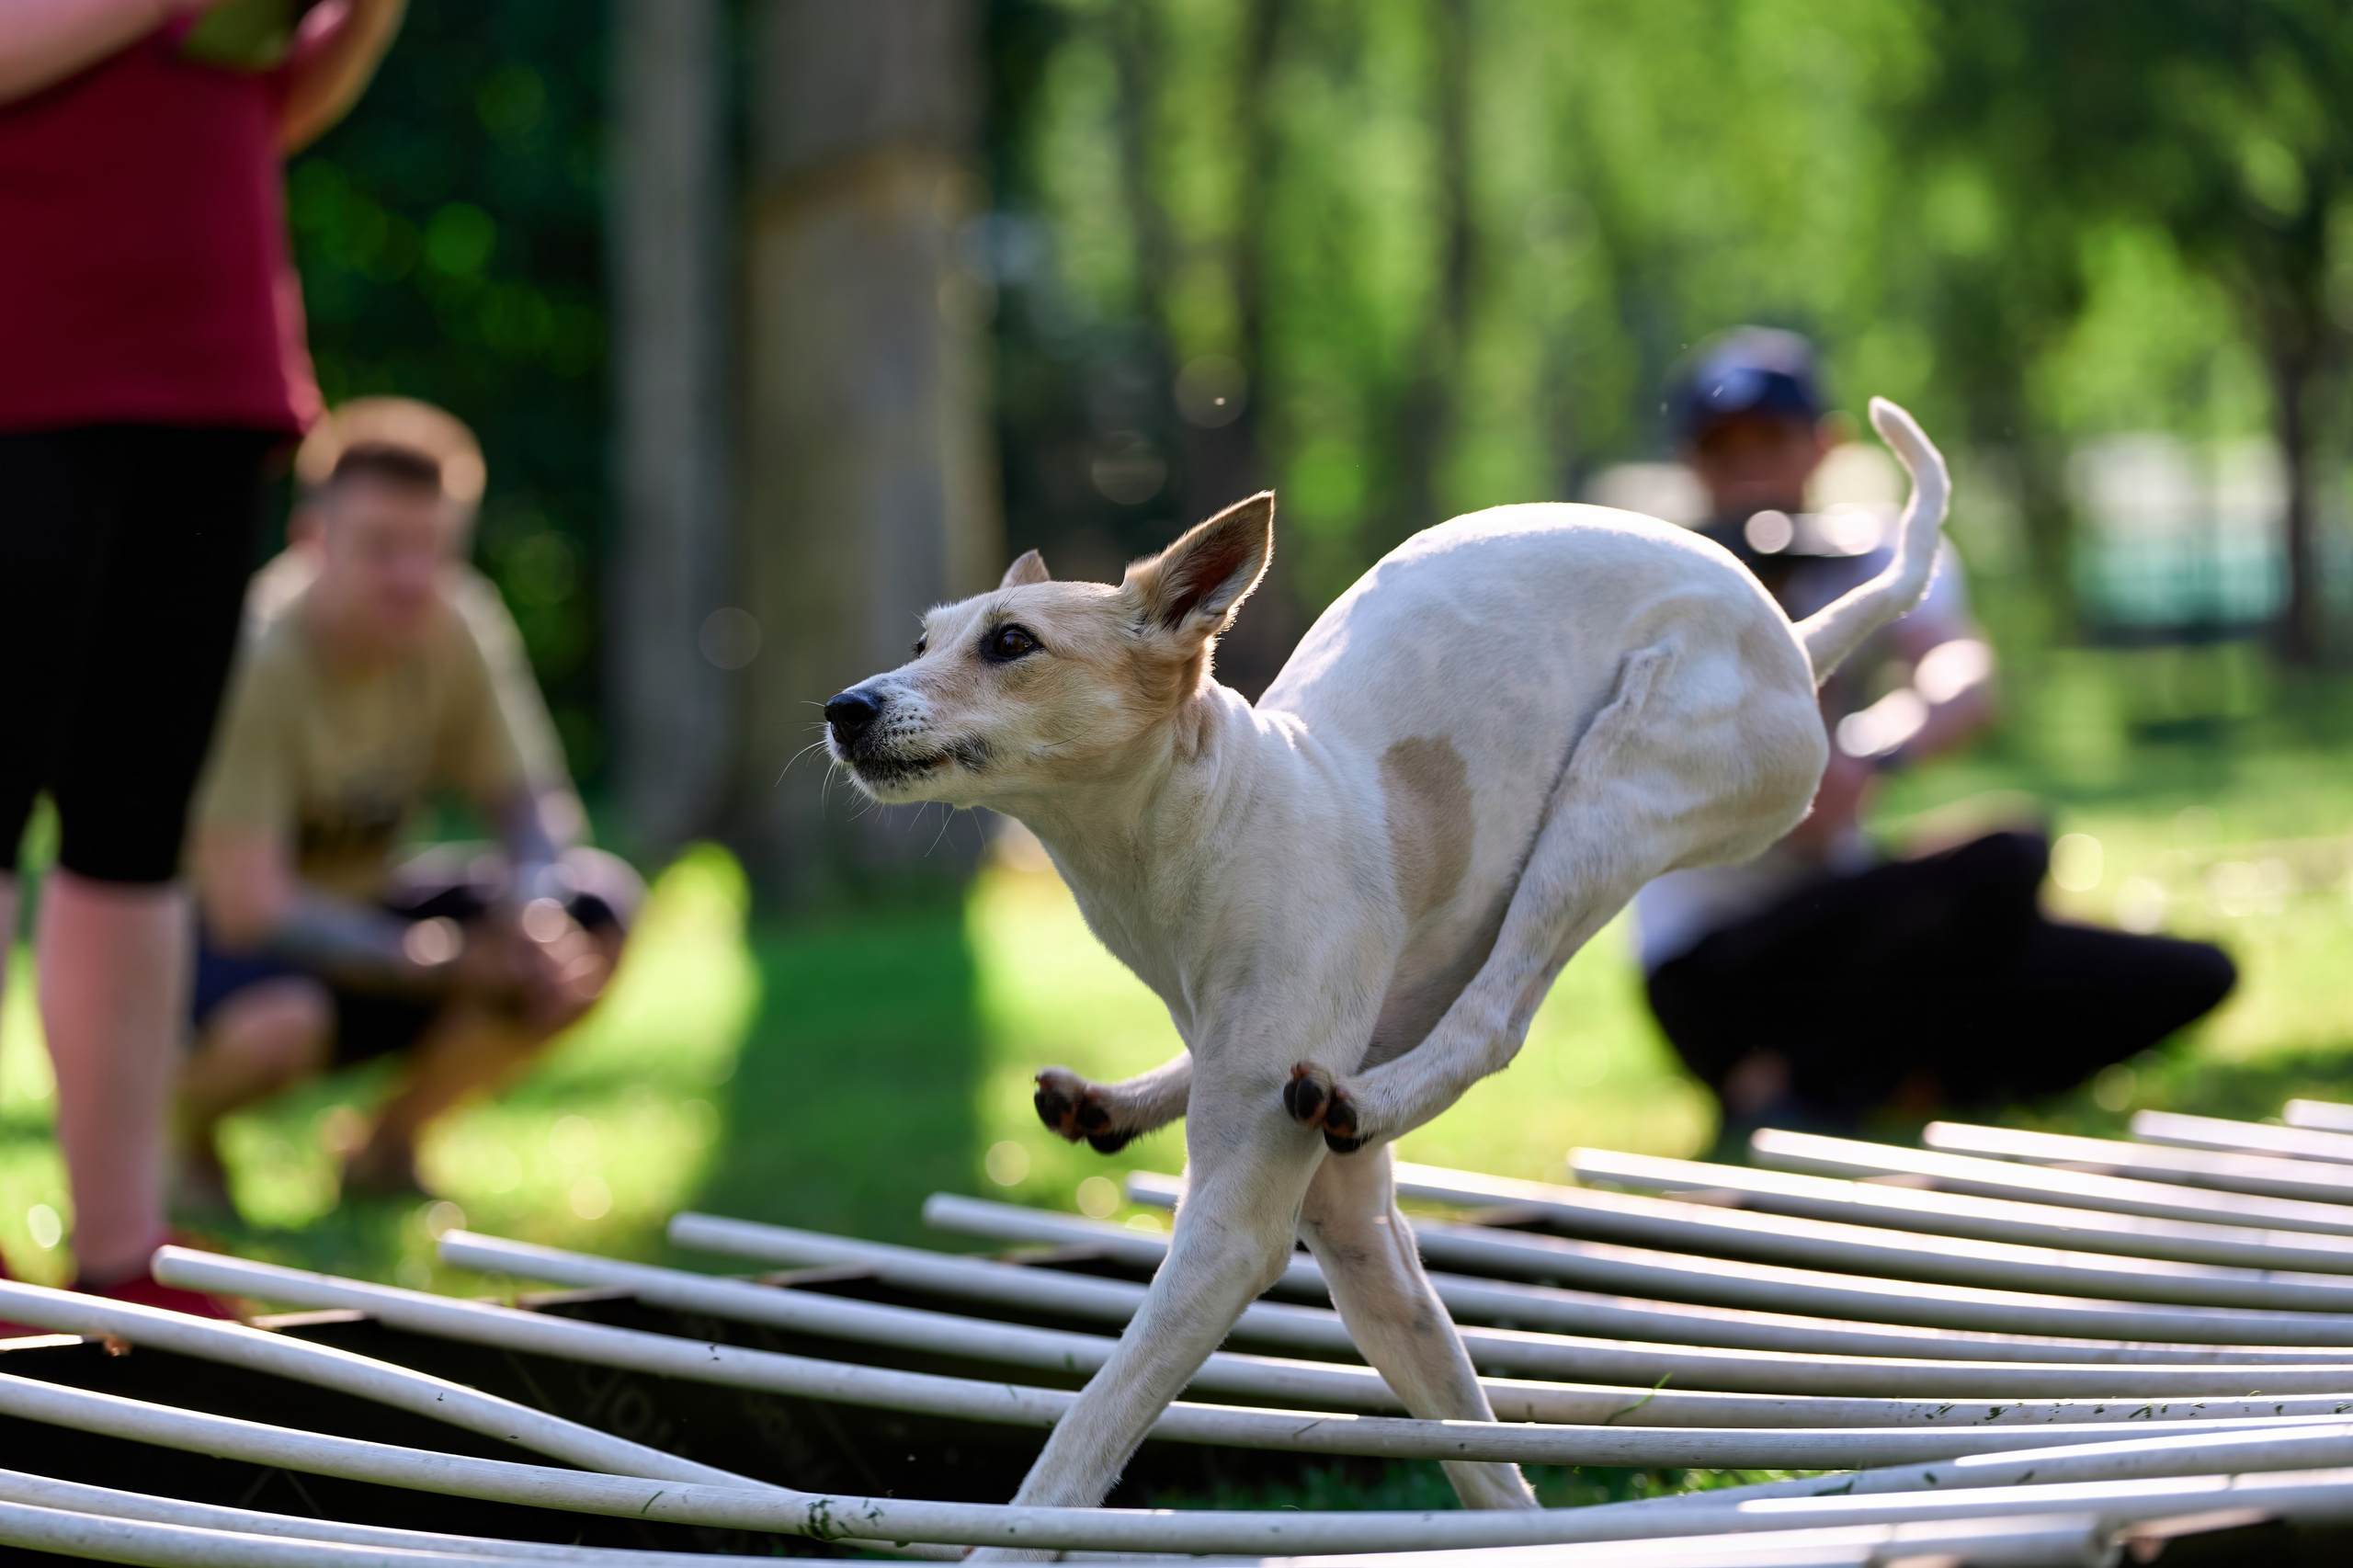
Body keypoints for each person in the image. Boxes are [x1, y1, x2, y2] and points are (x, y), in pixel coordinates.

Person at [0, 0, 405, 1303]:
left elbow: (263, 102)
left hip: (211, 379)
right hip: (24, 374)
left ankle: (123, 1256)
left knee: (134, 831)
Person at [1631, 328, 2236, 1149]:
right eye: (1723, 449)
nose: (1749, 469)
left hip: (1858, 927)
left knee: (2182, 973)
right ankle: (1796, 1084)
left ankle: (1888, 1076)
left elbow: (1960, 674)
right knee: (2001, 860)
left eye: (1769, 441)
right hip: (1721, 967)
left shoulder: (1874, 550)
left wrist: (1872, 754)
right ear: (1692, 464)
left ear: (1823, 447)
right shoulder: (1652, 584)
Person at [176, 403, 640, 1209]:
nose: (411, 577)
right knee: (281, 1021)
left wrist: (532, 910)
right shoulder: (254, 652)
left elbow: (533, 809)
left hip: (373, 920)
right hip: (217, 948)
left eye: (433, 548)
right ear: (312, 541)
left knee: (595, 913)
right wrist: (429, 959)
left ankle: (385, 1145)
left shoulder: (459, 617)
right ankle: (176, 1133)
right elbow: (248, 903)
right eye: (381, 548)